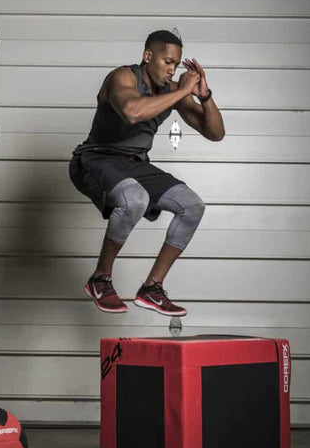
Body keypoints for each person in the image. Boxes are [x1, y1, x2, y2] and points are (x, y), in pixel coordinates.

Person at [69, 30, 225, 316]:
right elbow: (132, 111)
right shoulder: (123, 77)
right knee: (135, 198)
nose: (172, 70)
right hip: (96, 158)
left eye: (176, 64)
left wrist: (205, 96)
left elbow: (215, 133)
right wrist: (182, 91)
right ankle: (100, 280)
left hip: (135, 163)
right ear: (148, 56)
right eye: (168, 62)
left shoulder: (171, 91)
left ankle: (152, 288)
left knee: (192, 205)